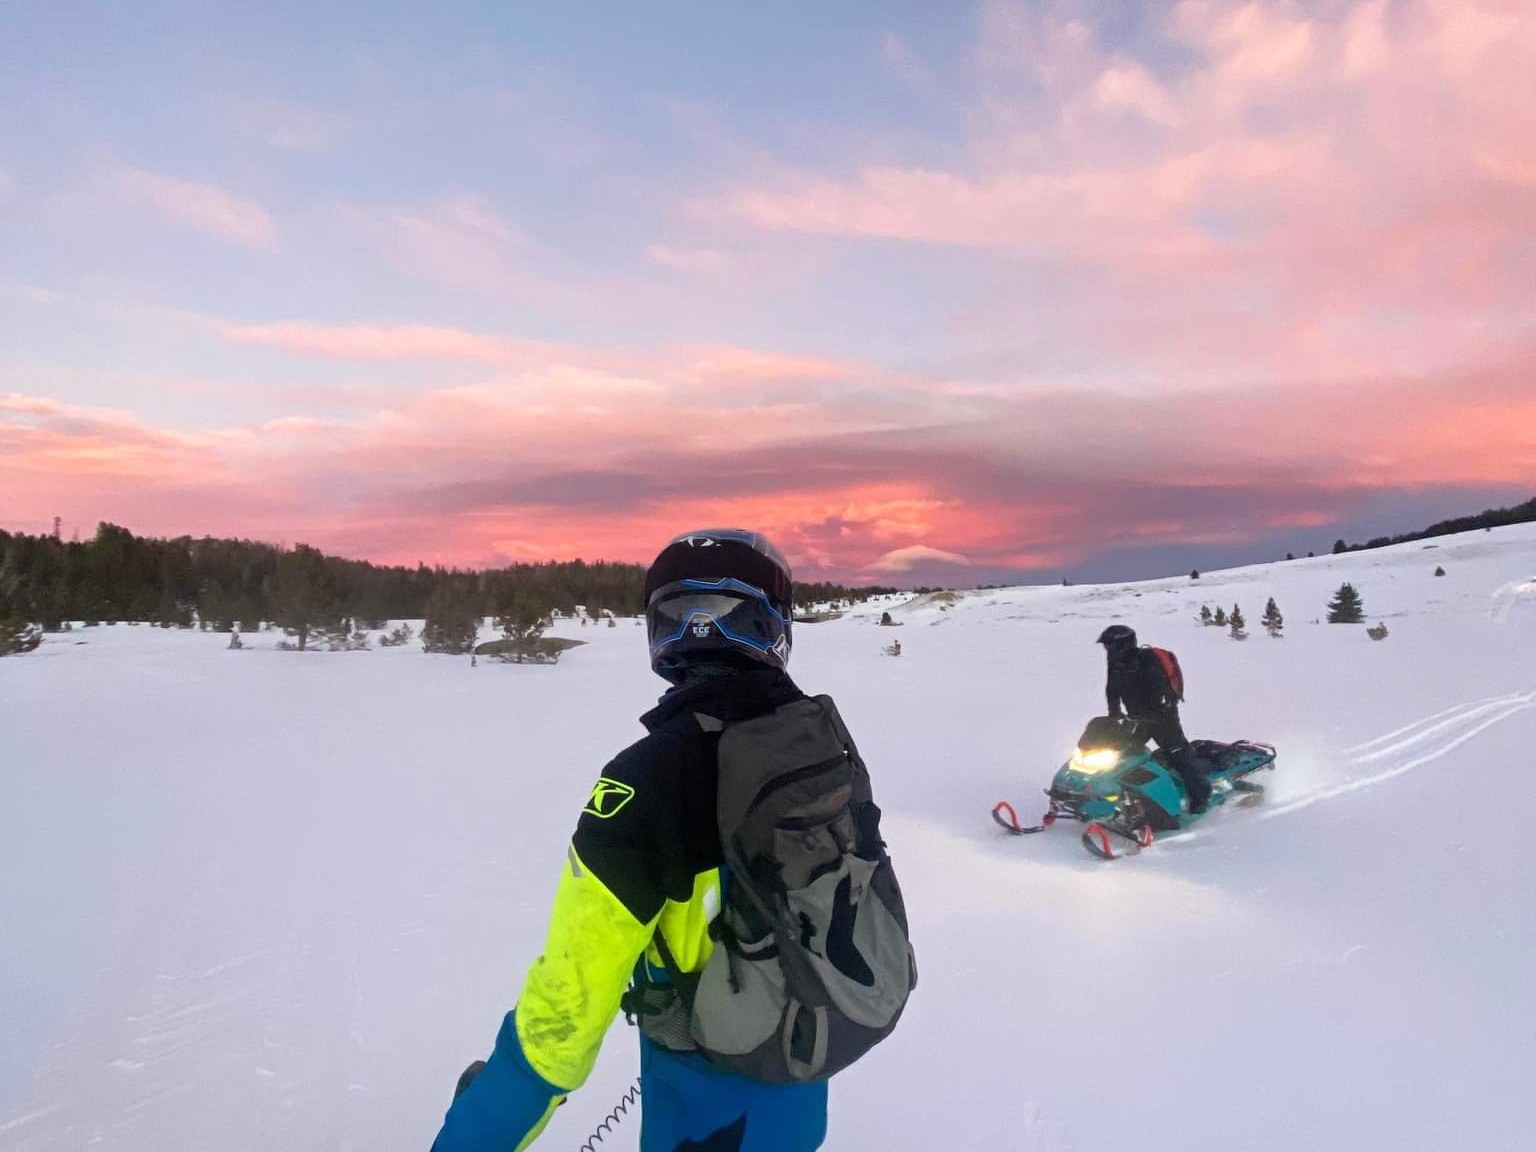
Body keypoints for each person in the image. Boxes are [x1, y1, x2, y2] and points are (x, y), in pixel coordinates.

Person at [432, 528, 896, 1152]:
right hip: (800, 1067)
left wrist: (477, 1129)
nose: (698, 629)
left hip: (702, 1103)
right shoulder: (817, 742)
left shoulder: (645, 780)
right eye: (682, 614)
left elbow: (563, 1007)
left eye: (722, 612)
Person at [1095, 624, 1212, 814]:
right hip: (1136, 718)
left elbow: (1160, 690)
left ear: (1124, 645)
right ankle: (1119, 797)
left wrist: (1159, 709)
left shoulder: (1148, 660)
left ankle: (1201, 796)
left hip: (1162, 719)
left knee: (1177, 754)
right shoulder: (1115, 663)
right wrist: (1113, 714)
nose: (1107, 650)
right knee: (1122, 754)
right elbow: (1112, 689)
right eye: (1106, 646)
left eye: (1110, 646)